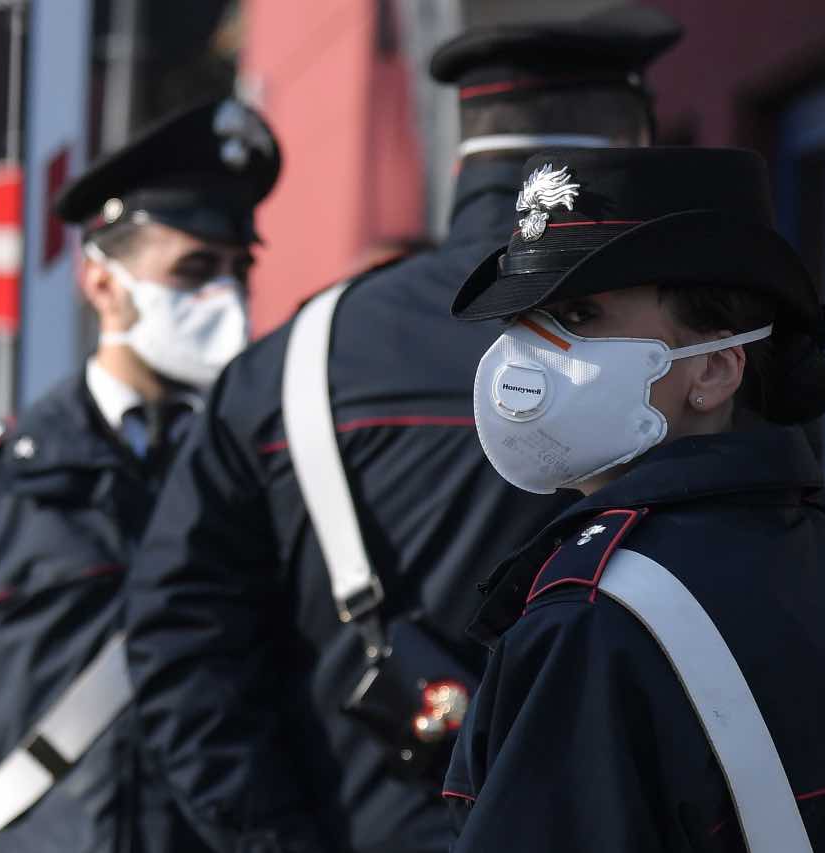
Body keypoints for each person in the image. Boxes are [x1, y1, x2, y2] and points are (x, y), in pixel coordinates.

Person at [122, 8, 681, 853]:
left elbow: (177, 643)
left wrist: (276, 840)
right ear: (634, 139)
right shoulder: (696, 361)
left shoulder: (294, 363)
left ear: (460, 151)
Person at [441, 146, 825, 852]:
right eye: (524, 318)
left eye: (579, 315)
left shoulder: (595, 620)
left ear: (712, 369)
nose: (525, 355)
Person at [0, 96, 279, 852]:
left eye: (239, 271)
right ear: (102, 280)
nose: (228, 300)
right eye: (194, 270)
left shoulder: (270, 480)